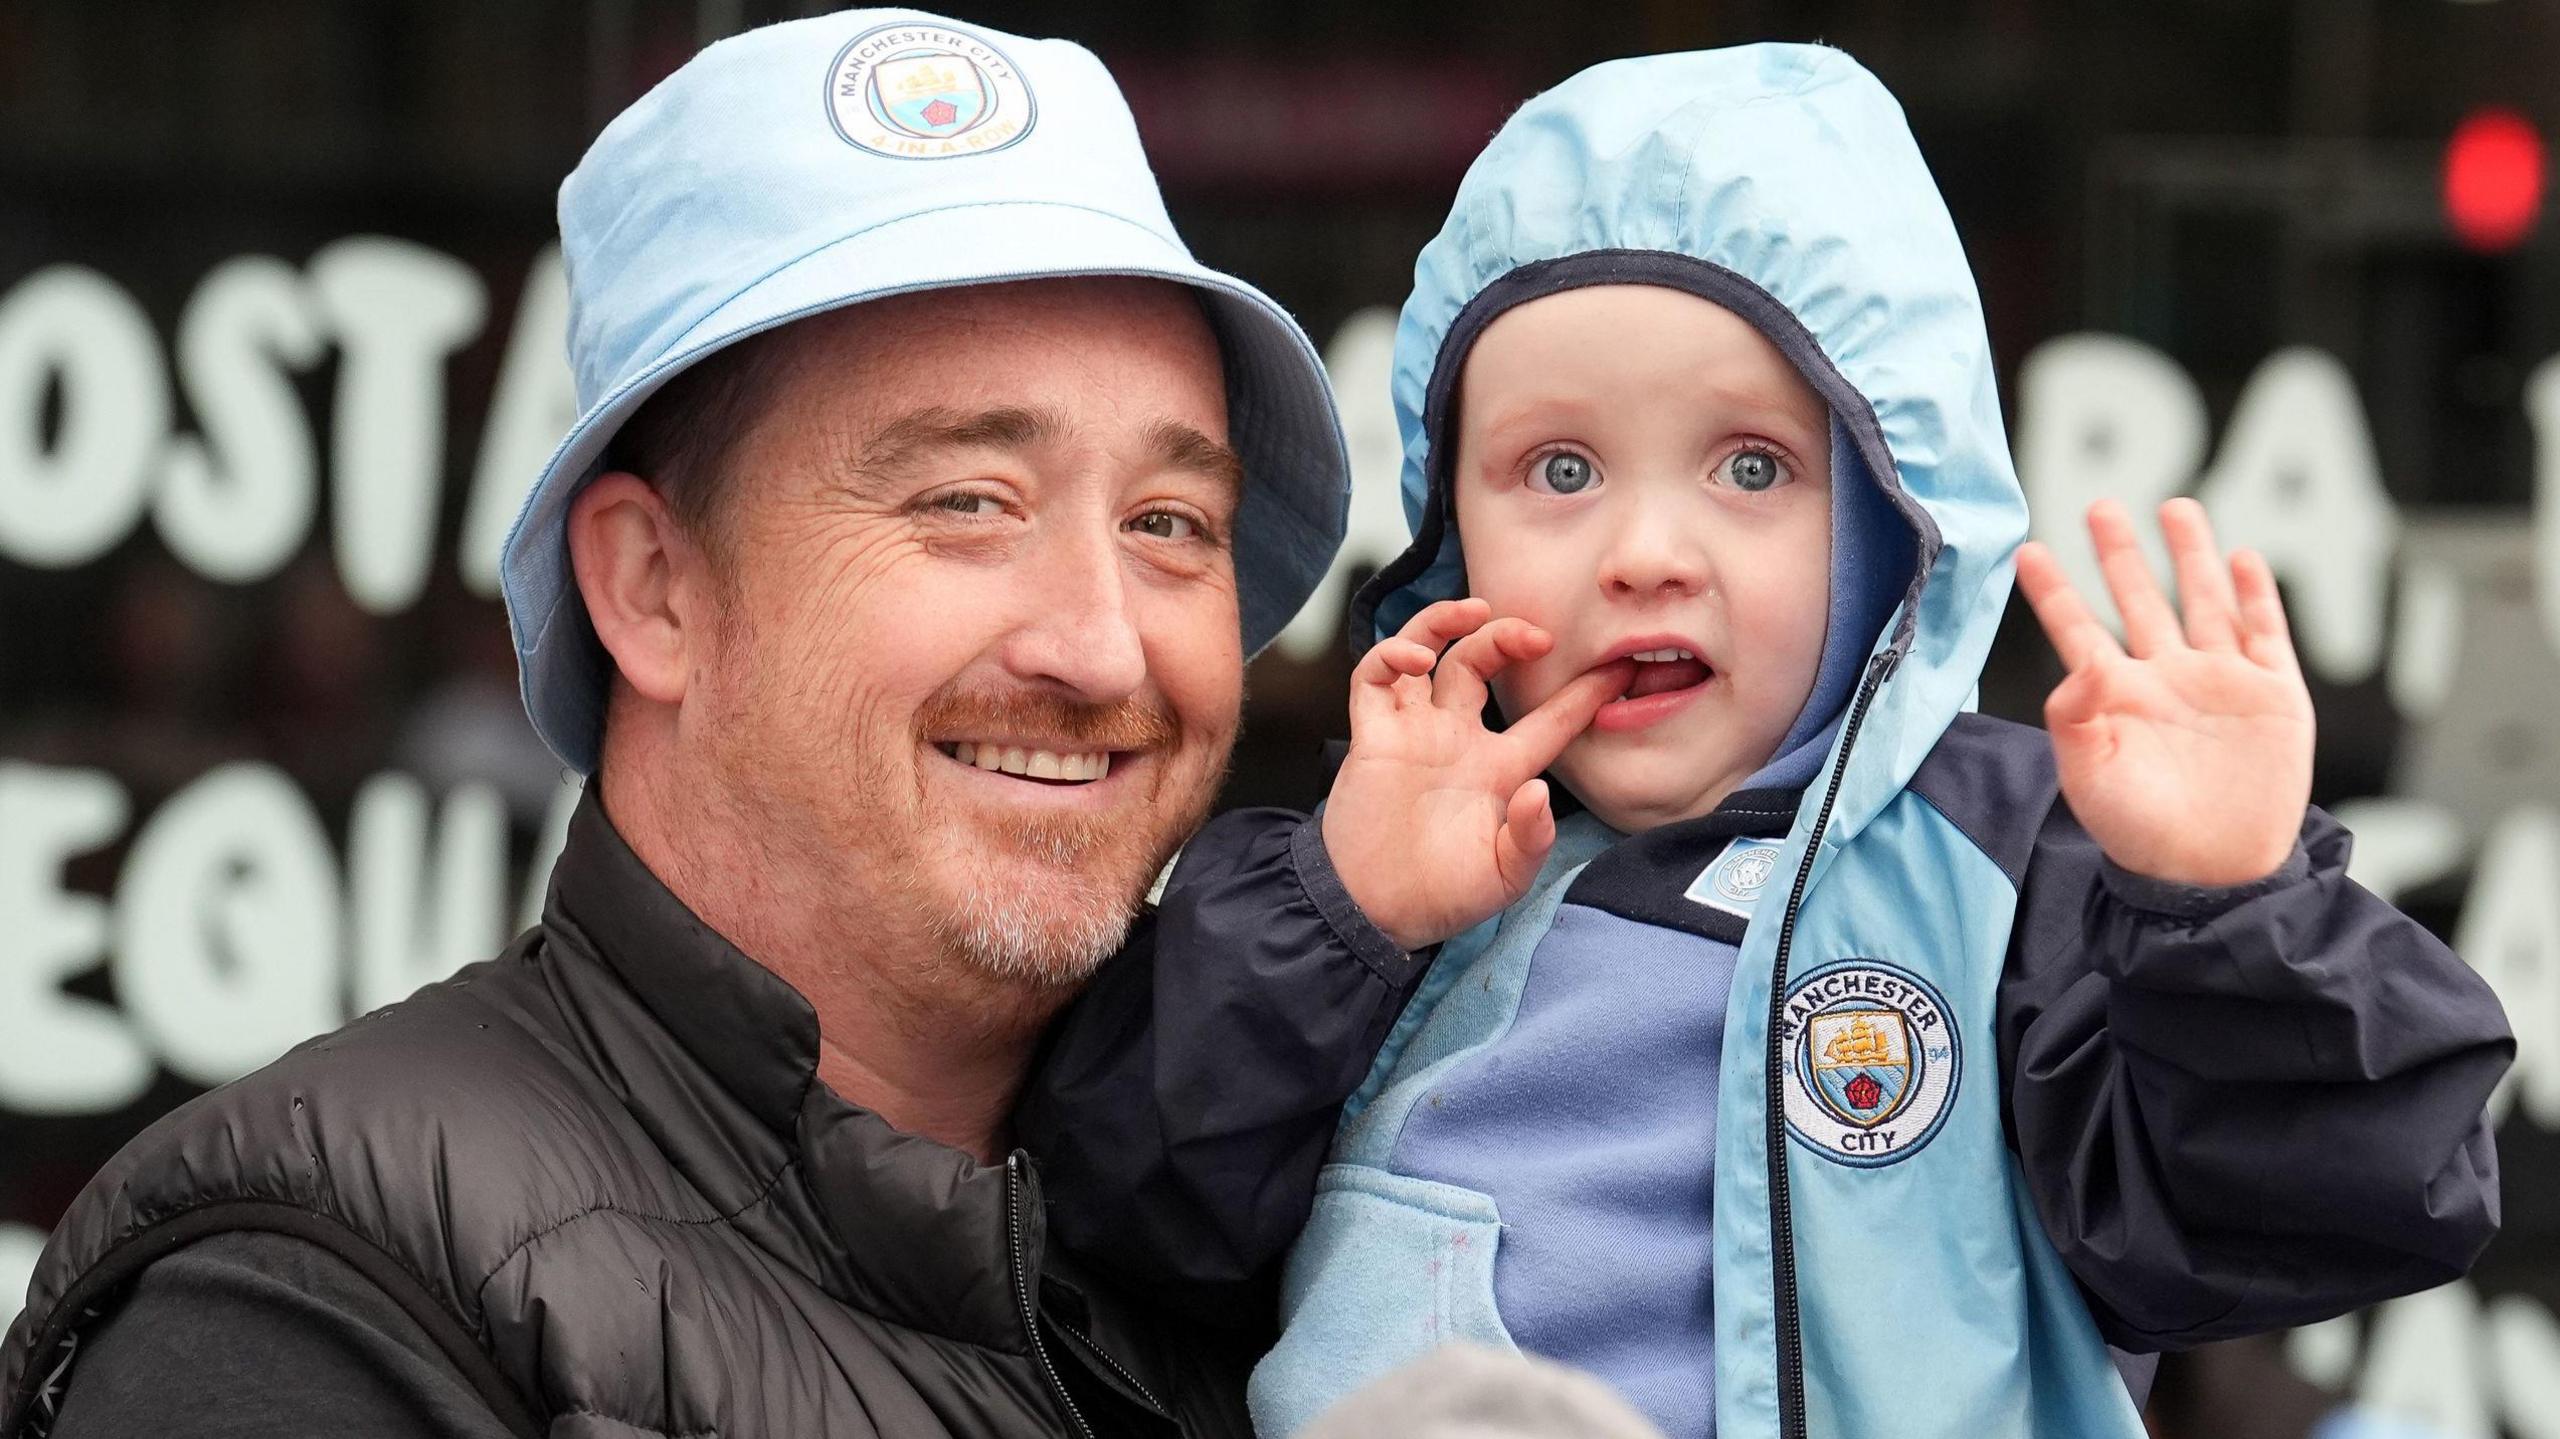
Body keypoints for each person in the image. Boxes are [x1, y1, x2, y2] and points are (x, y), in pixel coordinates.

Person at [1017, 44, 2513, 1438]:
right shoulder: (1381, 869)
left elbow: (2333, 1211)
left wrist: (2227, 906)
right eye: (1557, 468)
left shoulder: (2014, 871)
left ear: (1889, 514)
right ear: (1455, 537)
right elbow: (1116, 1227)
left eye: (1752, 466)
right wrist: (1341, 918)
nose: (1645, 549)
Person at [0, 11, 1364, 1437]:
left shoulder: (1334, 1214)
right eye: (967, 502)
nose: (1098, 645)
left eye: (1170, 524)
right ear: (652, 589)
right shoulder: (308, 1309)